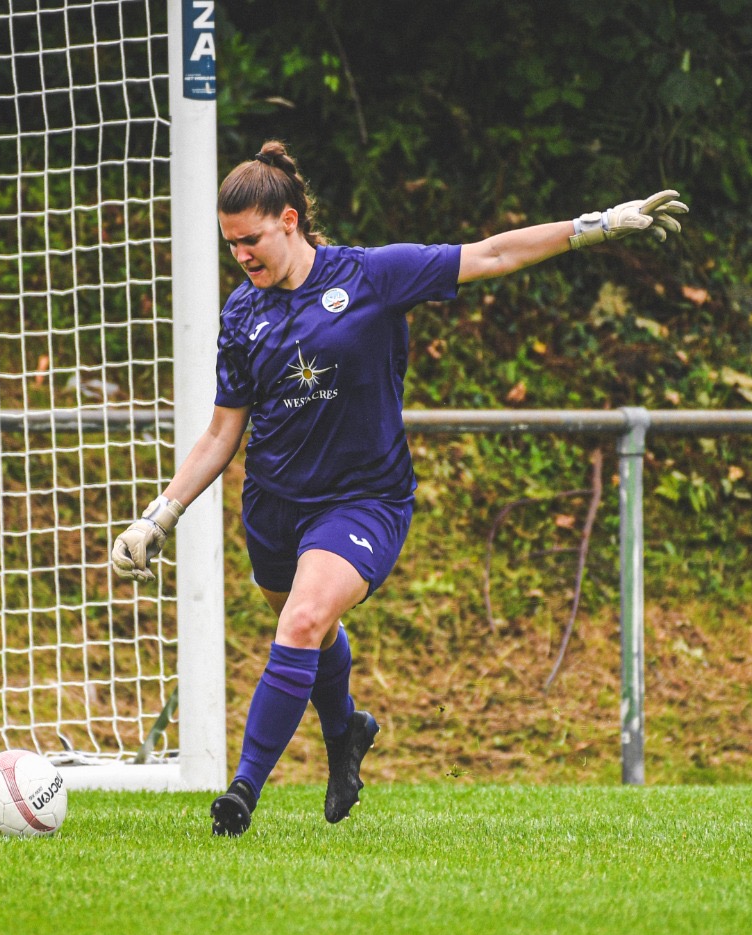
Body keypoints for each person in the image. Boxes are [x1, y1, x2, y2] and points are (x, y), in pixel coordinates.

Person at [111, 141, 687, 836]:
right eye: (231, 244)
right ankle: (344, 731)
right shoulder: (242, 314)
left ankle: (242, 793)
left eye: (251, 240)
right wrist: (158, 517)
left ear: (290, 220)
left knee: (300, 621)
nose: (241, 256)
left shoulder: (373, 276)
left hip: (363, 500)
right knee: (310, 630)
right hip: (272, 506)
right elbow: (220, 433)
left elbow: (493, 254)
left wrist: (594, 225)